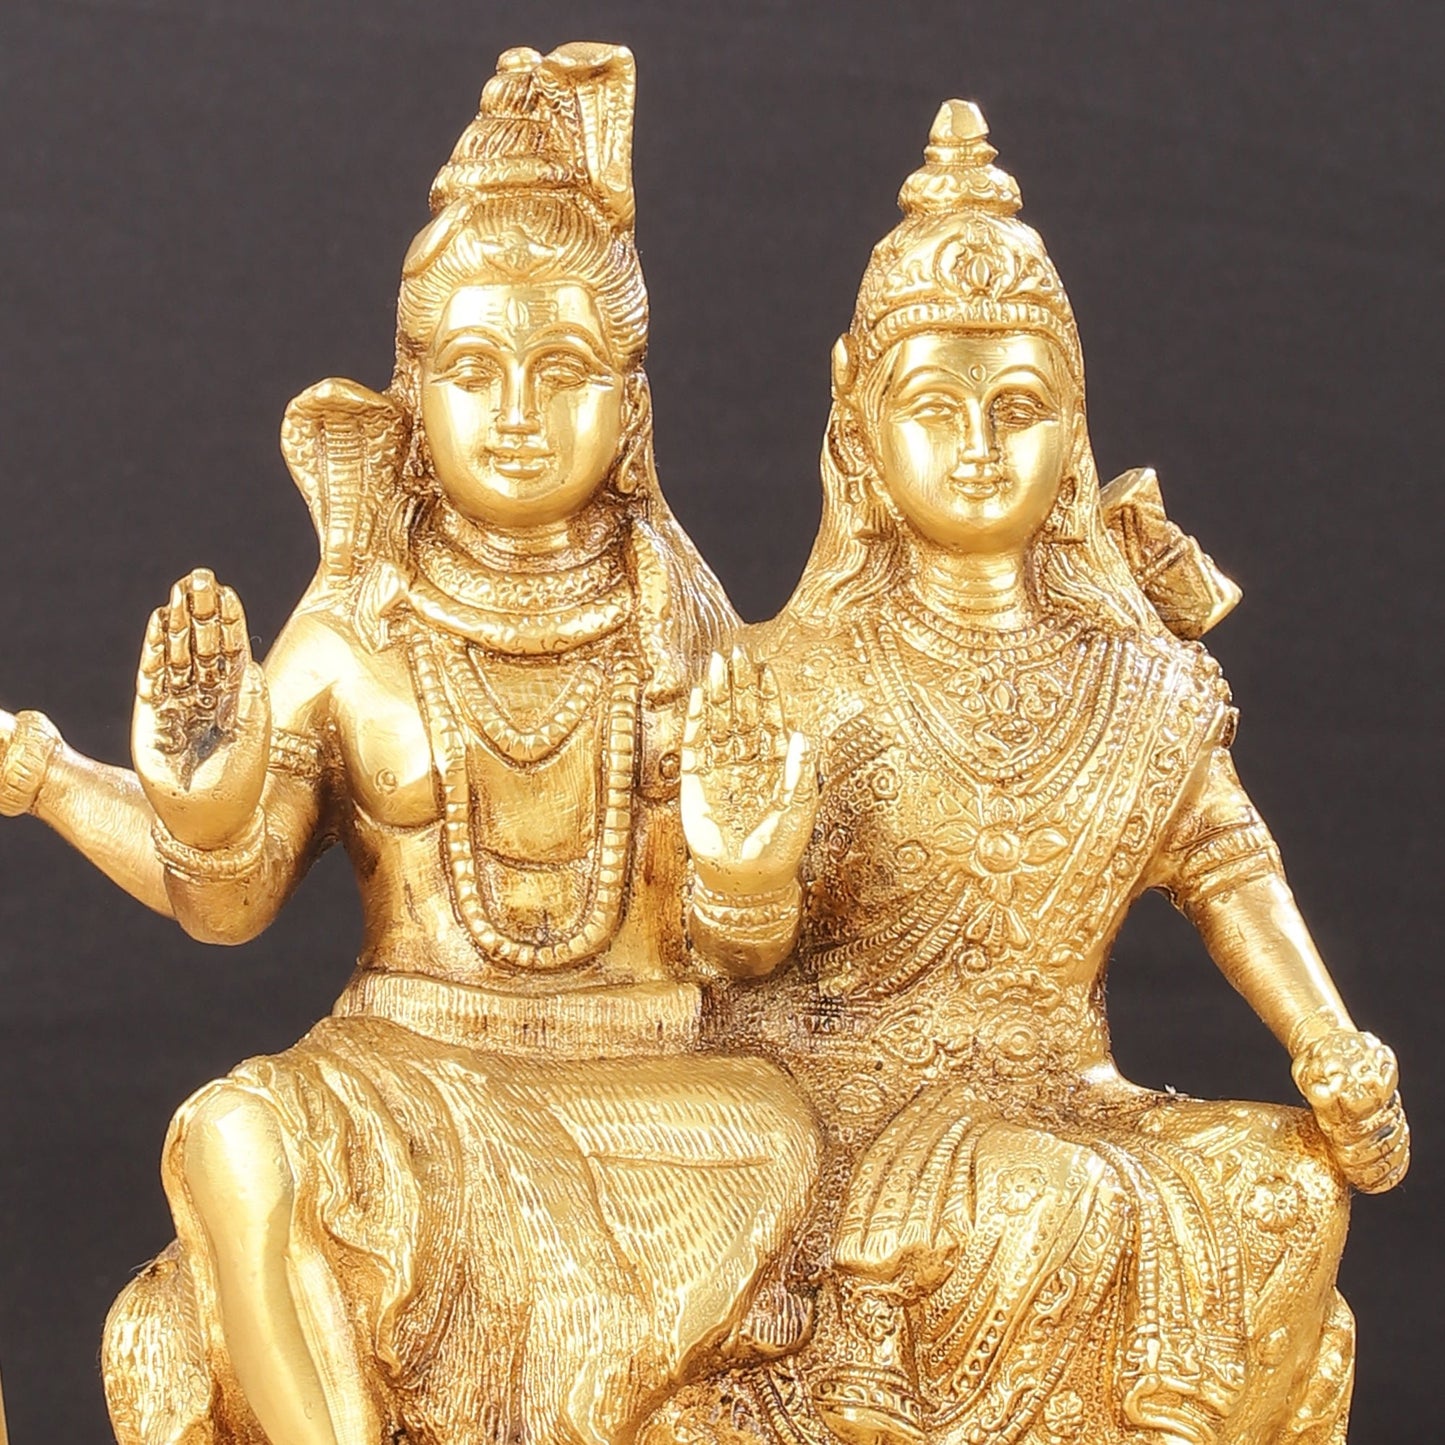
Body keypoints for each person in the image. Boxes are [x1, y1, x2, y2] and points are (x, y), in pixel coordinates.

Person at [0, 45, 818, 1445]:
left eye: (563, 371)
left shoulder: (681, 628)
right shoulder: (351, 630)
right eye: (474, 370)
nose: (518, 415)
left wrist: (747, 876)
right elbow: (231, 904)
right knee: (231, 1133)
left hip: (652, 1091)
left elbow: (749, 956)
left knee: (786, 1135)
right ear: (413, 390)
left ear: (629, 405)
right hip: (399, 1056)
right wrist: (173, 800)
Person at [669, 101, 1409, 1445]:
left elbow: (1229, 871)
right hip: (854, 1107)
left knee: (1287, 1186)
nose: (976, 444)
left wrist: (1330, 1049)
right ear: (862, 430)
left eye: (1016, 408)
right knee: (1046, 1196)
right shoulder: (792, 674)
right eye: (933, 407)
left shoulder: (1139, 683)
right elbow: (717, 961)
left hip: (1070, 1089)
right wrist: (739, 871)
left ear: (1071, 429)